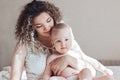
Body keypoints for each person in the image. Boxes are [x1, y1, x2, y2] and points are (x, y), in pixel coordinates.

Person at [10, 0, 114, 80]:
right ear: (31, 27)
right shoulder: (24, 45)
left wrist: (68, 59)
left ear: (53, 17)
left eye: (48, 20)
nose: (47, 27)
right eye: (39, 25)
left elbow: (86, 65)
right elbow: (14, 77)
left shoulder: (63, 34)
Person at [42, 23, 114, 80]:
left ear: (72, 40)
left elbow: (87, 61)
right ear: (52, 43)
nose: (63, 44)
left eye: (66, 40)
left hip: (80, 76)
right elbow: (47, 74)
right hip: (64, 78)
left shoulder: (74, 54)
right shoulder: (52, 58)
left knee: (87, 71)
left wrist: (103, 69)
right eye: (58, 41)